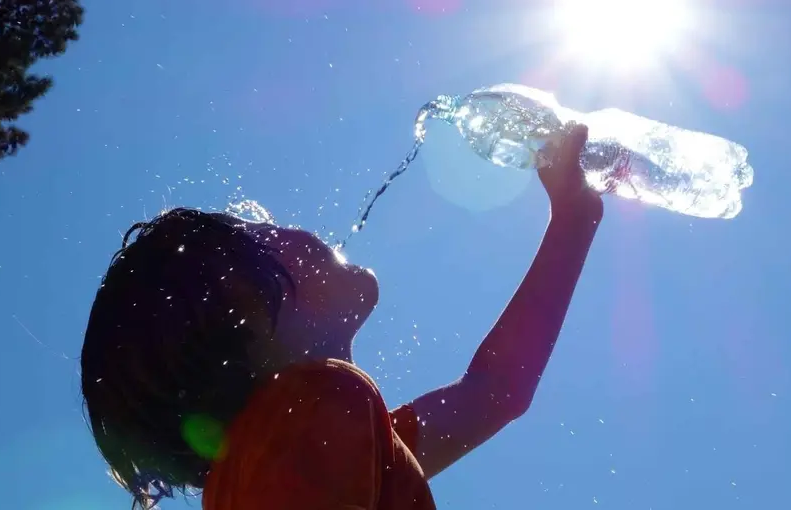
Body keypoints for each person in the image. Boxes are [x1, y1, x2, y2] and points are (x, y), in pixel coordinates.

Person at [80, 124, 604, 509]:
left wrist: (575, 218)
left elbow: (496, 389)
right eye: (259, 231)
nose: (288, 228)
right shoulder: (316, 407)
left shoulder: (324, 446)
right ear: (243, 311)